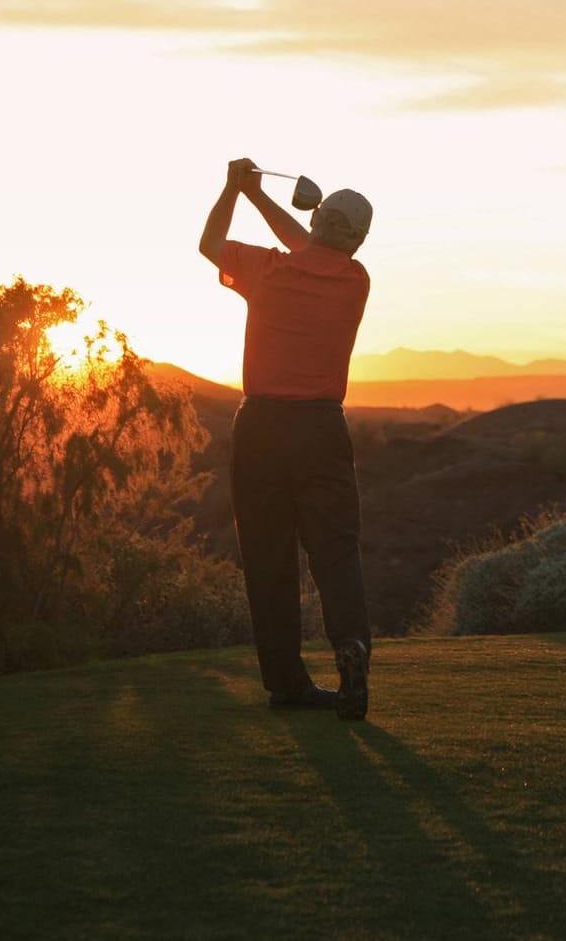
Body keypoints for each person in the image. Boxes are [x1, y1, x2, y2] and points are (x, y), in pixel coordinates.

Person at [198, 157, 374, 720]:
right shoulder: (355, 278)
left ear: (317, 219)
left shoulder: (270, 270)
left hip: (262, 429)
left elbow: (210, 242)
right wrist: (255, 196)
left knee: (269, 559)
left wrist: (236, 190)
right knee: (336, 553)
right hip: (322, 428)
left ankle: (286, 682)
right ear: (359, 238)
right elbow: (314, 245)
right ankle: (350, 651)